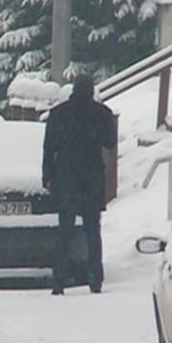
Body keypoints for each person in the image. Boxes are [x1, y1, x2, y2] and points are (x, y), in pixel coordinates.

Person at [42, 74, 115, 295]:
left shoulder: (58, 114)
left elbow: (49, 148)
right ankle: (95, 280)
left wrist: (47, 177)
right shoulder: (101, 114)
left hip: (66, 178)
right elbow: (110, 142)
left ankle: (59, 281)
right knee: (93, 231)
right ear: (92, 90)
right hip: (91, 177)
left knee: (64, 231)